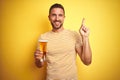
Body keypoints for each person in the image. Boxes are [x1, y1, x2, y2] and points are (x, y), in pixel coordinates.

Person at [34, 3, 92, 80]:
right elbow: (40, 64)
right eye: (53, 15)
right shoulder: (43, 38)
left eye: (60, 15)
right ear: (49, 17)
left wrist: (85, 37)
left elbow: (87, 61)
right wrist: (38, 59)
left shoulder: (74, 35)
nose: (57, 18)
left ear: (64, 17)